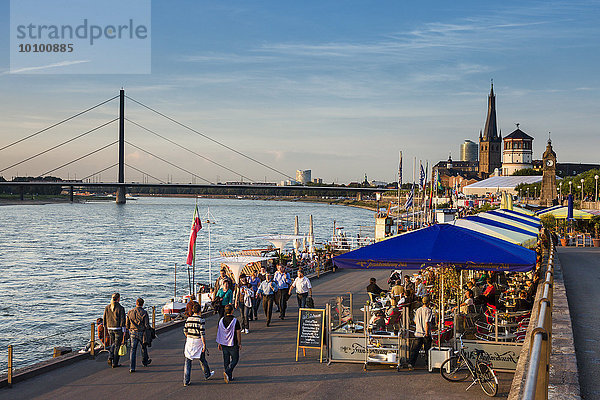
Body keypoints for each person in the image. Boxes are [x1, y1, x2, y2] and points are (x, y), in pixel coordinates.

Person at [183, 303, 214, 386]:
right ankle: (207, 374)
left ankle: (186, 380)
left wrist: (189, 336)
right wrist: (204, 345)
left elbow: (185, 331)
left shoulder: (188, 319)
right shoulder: (201, 320)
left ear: (193, 310)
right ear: (200, 311)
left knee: (188, 361)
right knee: (202, 359)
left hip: (189, 340)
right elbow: (202, 334)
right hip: (198, 341)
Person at [216, 304, 242, 383]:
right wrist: (239, 343)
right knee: (235, 359)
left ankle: (229, 377)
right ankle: (227, 372)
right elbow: (238, 333)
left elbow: (220, 332)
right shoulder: (235, 321)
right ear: (232, 311)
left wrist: (219, 343)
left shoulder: (221, 320)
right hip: (233, 343)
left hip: (224, 343)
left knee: (226, 360)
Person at [126, 297, 152, 372]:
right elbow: (147, 325)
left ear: (136, 303)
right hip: (142, 332)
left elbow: (127, 324)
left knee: (133, 350)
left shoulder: (130, 312)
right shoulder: (144, 312)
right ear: (142, 304)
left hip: (133, 332)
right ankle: (145, 362)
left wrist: (129, 329)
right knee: (143, 347)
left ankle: (132, 367)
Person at [408, 296, 433, 370]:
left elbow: (415, 321)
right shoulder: (428, 310)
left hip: (418, 332)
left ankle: (411, 363)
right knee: (427, 350)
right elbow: (427, 322)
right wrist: (427, 333)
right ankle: (428, 364)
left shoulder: (418, 310)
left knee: (415, 349)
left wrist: (419, 324)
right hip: (425, 333)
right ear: (428, 302)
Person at [103, 292, 126, 368]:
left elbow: (104, 317)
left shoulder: (107, 307)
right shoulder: (121, 308)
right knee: (117, 346)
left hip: (110, 328)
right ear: (119, 298)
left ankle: (110, 356)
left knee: (113, 343)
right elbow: (123, 320)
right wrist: (124, 331)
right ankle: (115, 362)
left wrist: (105, 326)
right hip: (118, 328)